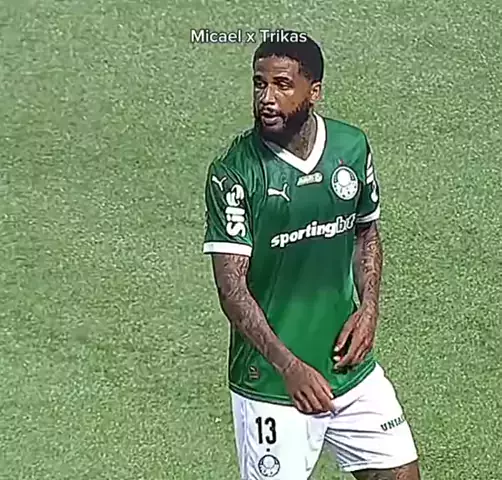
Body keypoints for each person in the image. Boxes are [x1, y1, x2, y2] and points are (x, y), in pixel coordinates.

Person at [202, 31, 420, 480]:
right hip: (273, 384)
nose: (267, 98)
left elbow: (366, 232)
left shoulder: (350, 148)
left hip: (349, 370)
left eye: (282, 85)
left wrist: (369, 310)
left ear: (314, 91)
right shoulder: (234, 173)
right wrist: (289, 368)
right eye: (259, 83)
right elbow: (231, 289)